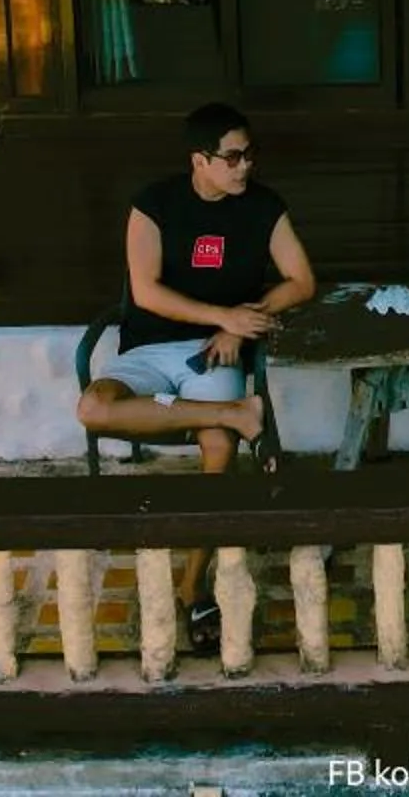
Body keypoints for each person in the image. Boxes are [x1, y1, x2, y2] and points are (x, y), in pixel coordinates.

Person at [77, 101, 315, 647]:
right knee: (94, 405)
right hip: (150, 348)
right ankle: (235, 413)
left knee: (220, 449)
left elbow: (301, 280)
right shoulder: (154, 205)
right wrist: (221, 315)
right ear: (199, 160)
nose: (244, 166)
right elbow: (146, 292)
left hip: (216, 351)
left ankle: (193, 587)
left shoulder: (263, 207)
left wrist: (240, 325)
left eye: (249, 154)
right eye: (231, 157)